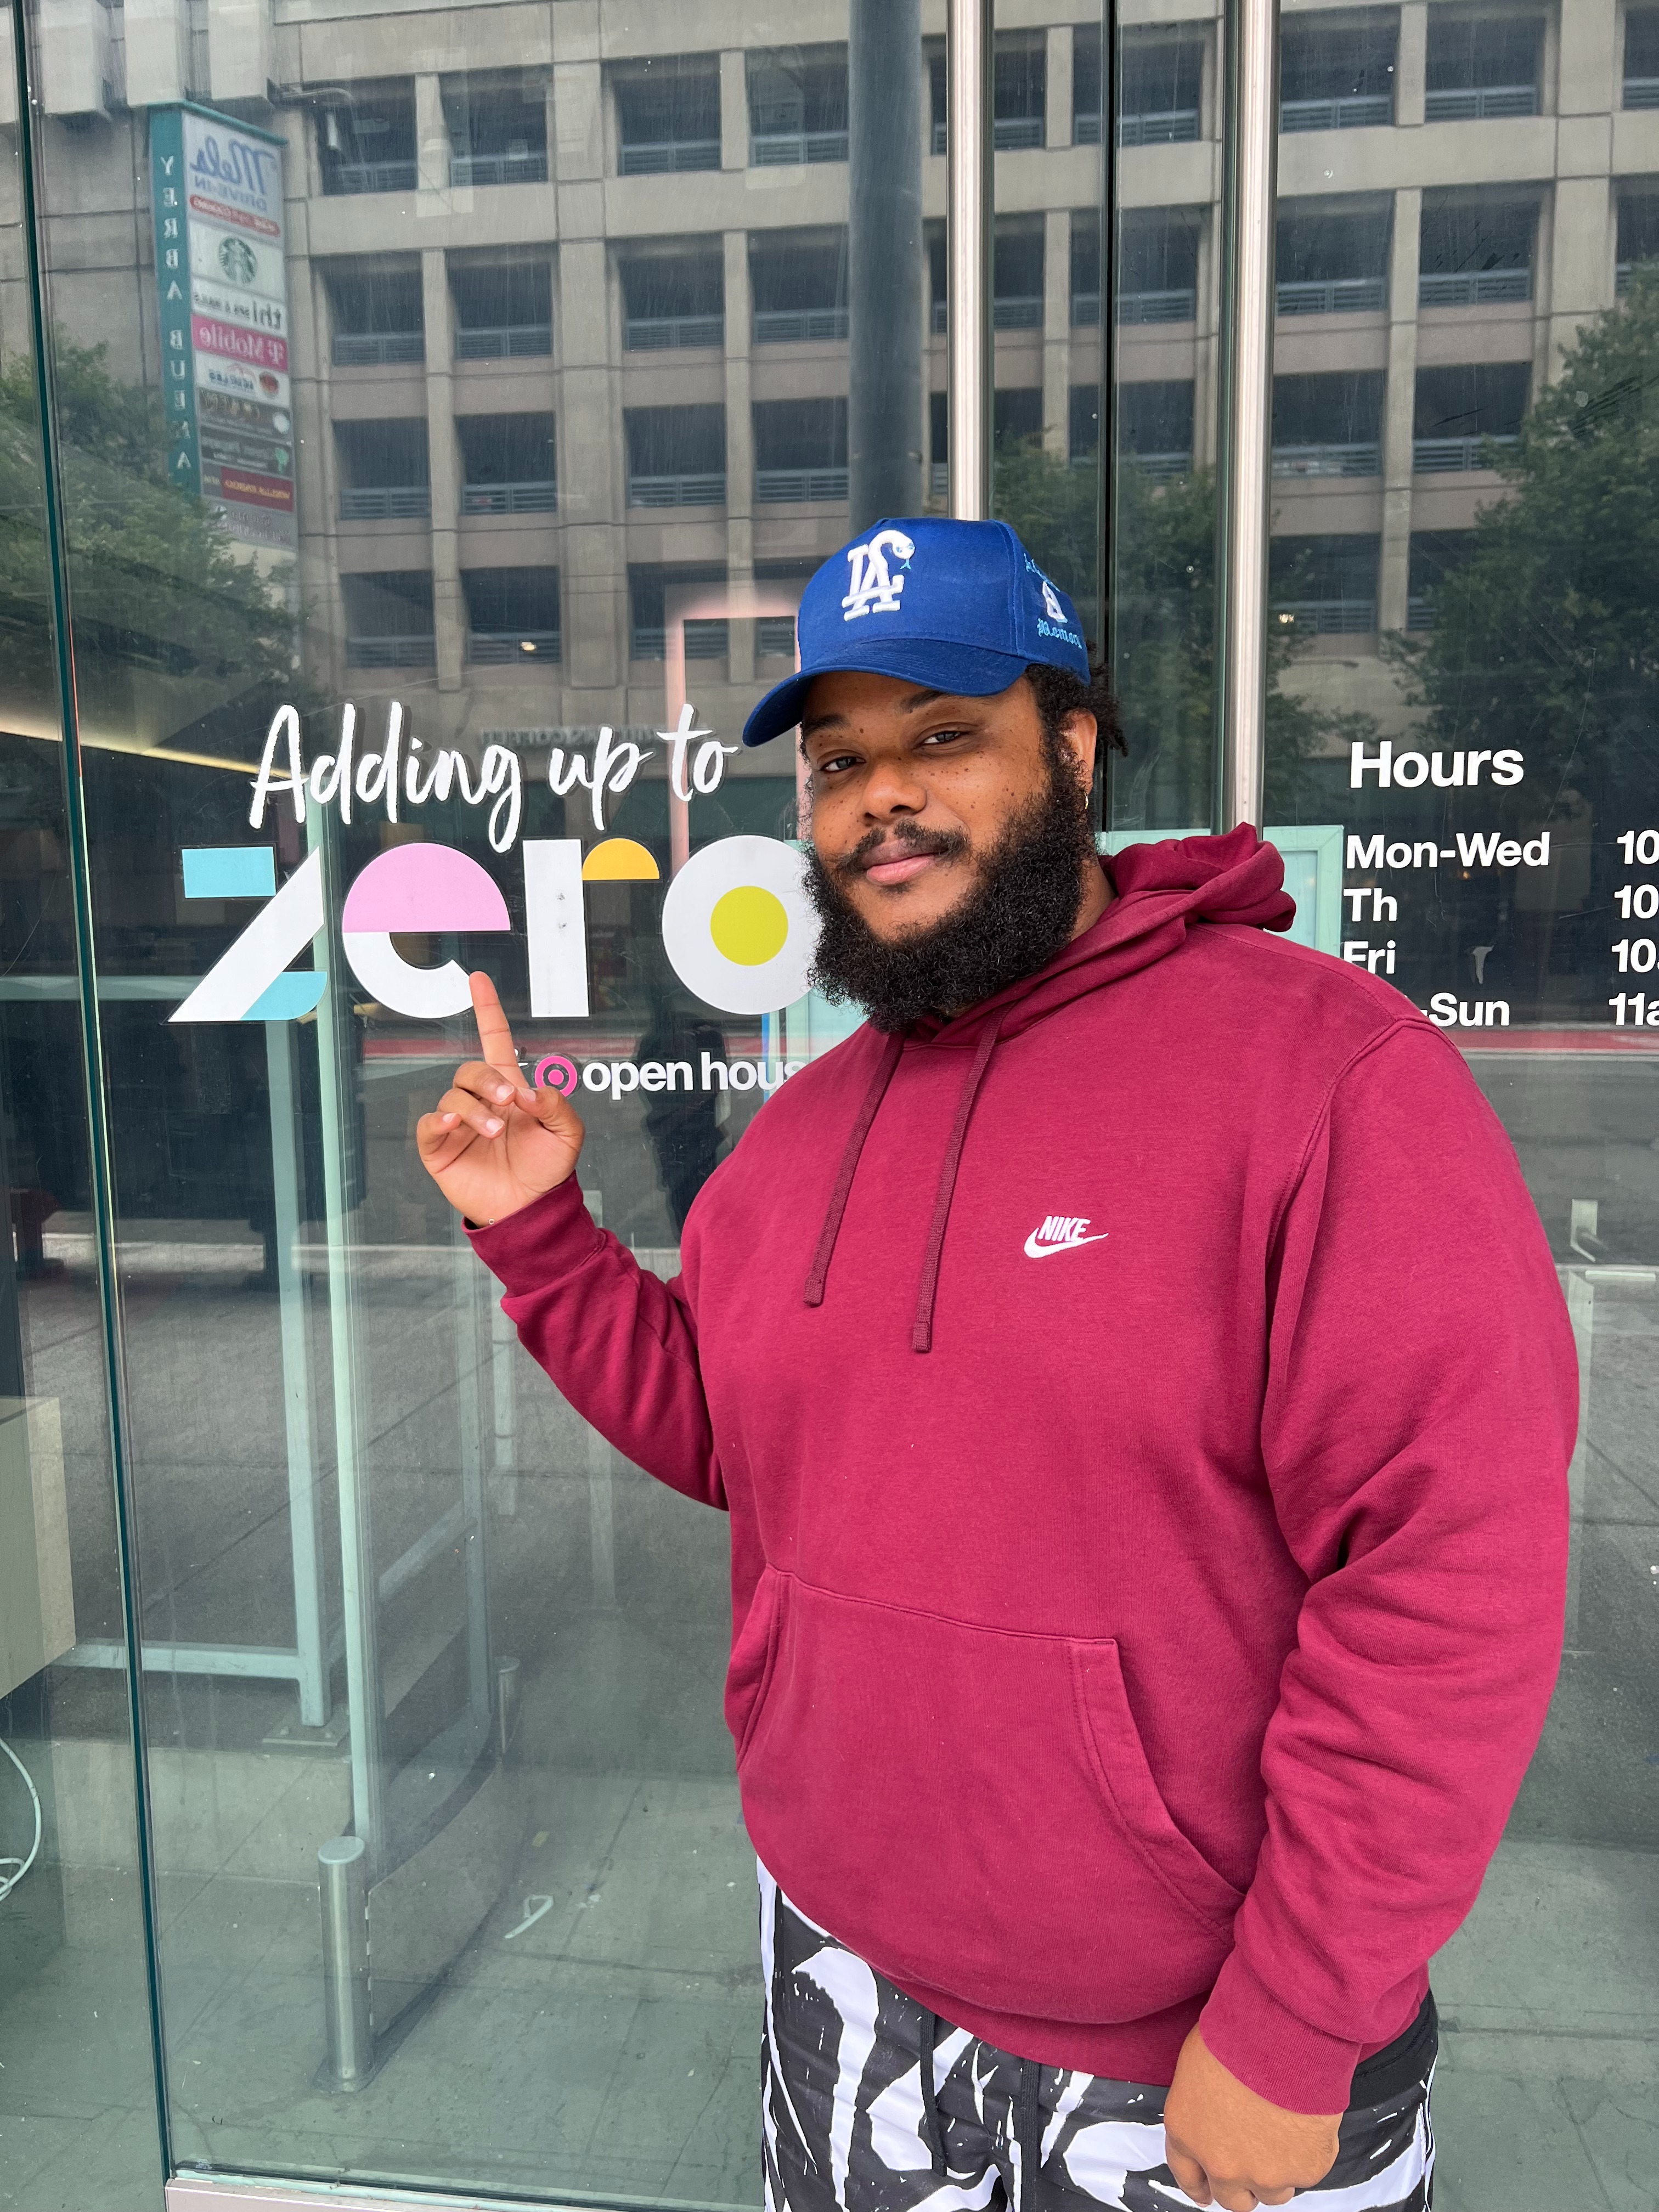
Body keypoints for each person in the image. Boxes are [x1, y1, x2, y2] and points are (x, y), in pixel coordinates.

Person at [417, 518, 1574, 2212]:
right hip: (841, 1967)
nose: (882, 796)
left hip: (1198, 2039)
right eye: (839, 760)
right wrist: (539, 1234)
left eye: (944, 733)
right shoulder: (805, 1130)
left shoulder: (1329, 1077)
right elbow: (735, 1435)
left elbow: (1449, 1584)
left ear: (1076, 751)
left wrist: (1300, 2017)